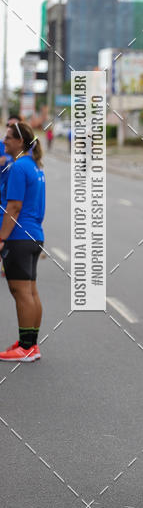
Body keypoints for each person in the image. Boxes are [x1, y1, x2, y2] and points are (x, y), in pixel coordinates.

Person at [0, 123, 46, 362]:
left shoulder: (18, 167)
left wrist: (1, 239)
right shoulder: (35, 166)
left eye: (8, 137)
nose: (4, 141)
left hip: (18, 236)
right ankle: (30, 344)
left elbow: (14, 206)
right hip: (34, 234)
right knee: (30, 291)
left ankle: (26, 348)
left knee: (21, 293)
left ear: (20, 141)